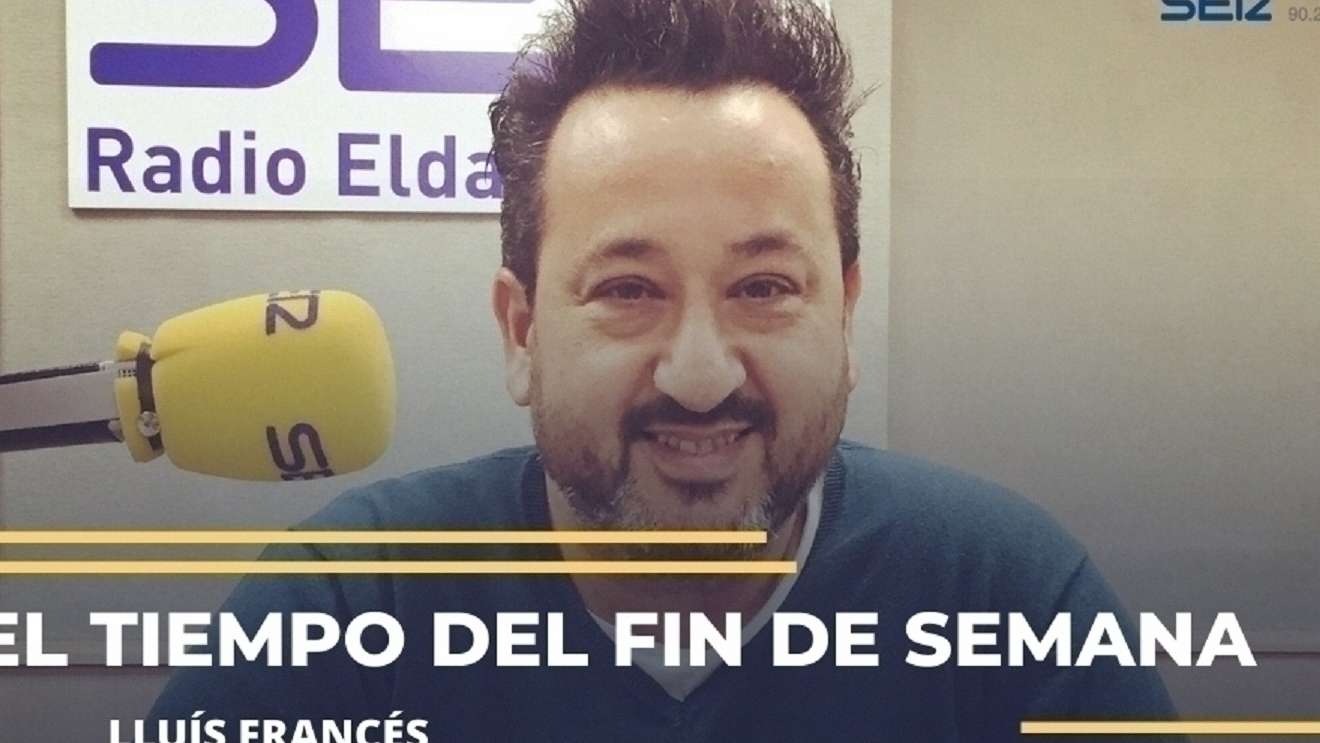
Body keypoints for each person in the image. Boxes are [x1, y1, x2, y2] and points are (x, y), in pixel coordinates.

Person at [148, 0, 1182, 739]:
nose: (698, 374)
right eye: (629, 288)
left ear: (844, 316)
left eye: (764, 287)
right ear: (521, 330)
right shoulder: (340, 613)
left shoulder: (1009, 600)